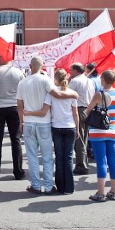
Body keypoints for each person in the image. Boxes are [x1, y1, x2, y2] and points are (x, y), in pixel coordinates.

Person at [17, 56, 77, 194]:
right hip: (44, 123)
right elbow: (58, 94)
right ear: (42, 66)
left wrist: (22, 120)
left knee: (31, 156)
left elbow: (19, 105)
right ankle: (49, 186)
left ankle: (36, 186)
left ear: (30, 66)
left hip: (29, 123)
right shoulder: (46, 80)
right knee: (47, 157)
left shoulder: (22, 82)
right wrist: (74, 95)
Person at [0, 53, 25, 181]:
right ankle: (18, 172)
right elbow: (23, 91)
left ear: (3, 58)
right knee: (16, 140)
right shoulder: (19, 73)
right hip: (14, 108)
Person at [84, 69, 115, 202]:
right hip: (113, 130)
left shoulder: (99, 95)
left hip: (97, 131)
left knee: (101, 161)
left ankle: (100, 192)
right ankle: (113, 191)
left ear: (103, 80)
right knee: (113, 161)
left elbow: (87, 111)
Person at [68, 63, 95, 175]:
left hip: (79, 109)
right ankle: (83, 163)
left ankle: (82, 165)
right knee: (84, 137)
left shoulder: (75, 81)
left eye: (71, 70)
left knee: (78, 138)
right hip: (88, 109)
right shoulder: (89, 80)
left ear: (75, 71)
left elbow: (68, 94)